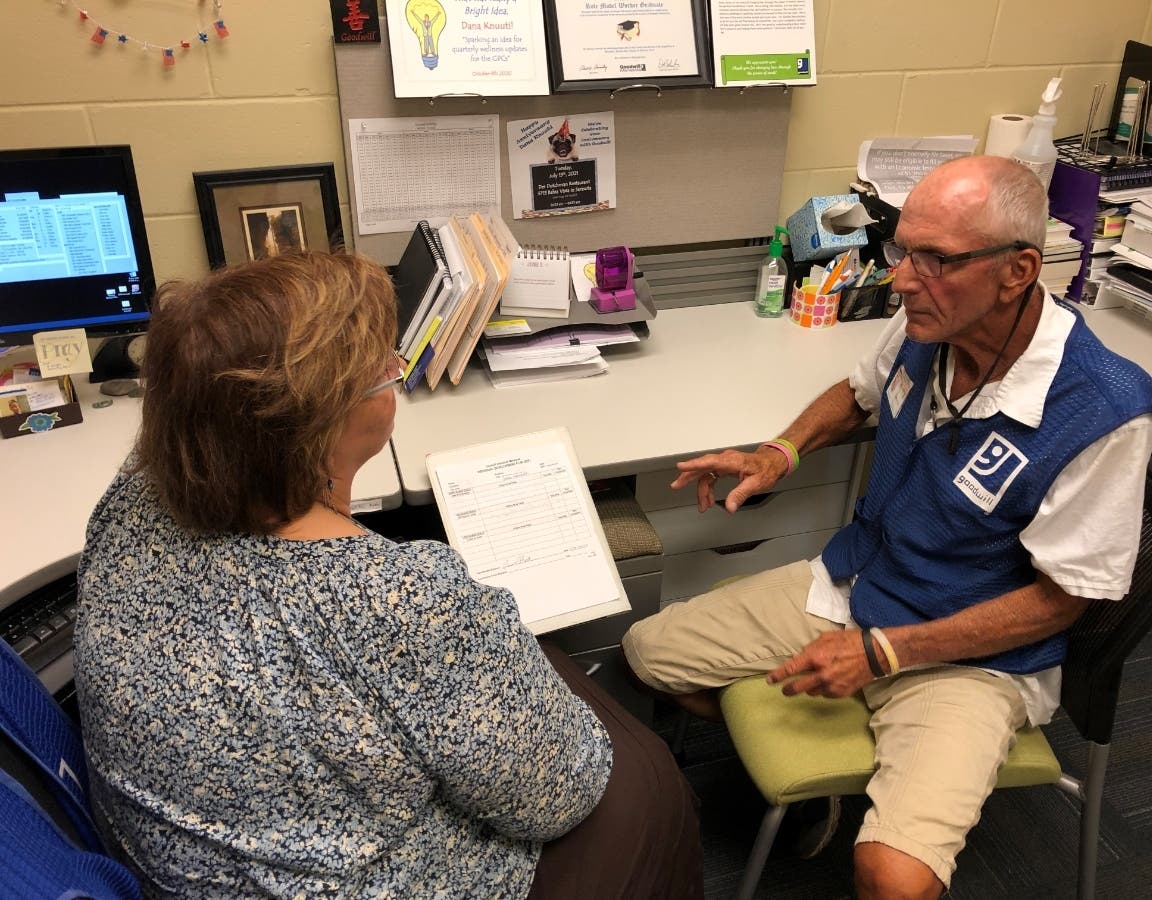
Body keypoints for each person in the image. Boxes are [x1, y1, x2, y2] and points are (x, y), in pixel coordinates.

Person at [74, 252, 703, 899]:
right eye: (387, 369)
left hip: (181, 864)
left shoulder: (137, 489)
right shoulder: (400, 596)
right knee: (645, 781)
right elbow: (556, 796)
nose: (395, 376)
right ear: (327, 422)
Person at [622, 156, 1152, 899]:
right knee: (651, 653)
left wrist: (884, 656)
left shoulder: (1102, 408)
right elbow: (856, 395)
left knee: (893, 880)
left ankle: (883, 751)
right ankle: (834, 781)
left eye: (934, 260)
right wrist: (780, 452)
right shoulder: (928, 324)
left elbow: (1062, 601)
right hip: (859, 582)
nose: (902, 279)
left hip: (973, 654)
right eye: (903, 251)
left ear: (1017, 270)